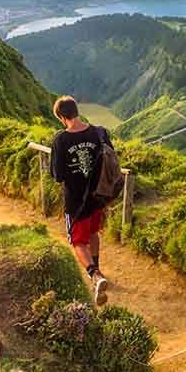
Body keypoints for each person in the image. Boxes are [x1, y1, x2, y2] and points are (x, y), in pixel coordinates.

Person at [49, 95, 113, 305]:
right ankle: (98, 271)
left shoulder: (61, 140)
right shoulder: (98, 132)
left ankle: (95, 276)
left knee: (78, 242)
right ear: (76, 110)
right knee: (93, 233)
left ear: (61, 116)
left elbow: (57, 175)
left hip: (76, 202)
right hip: (98, 197)